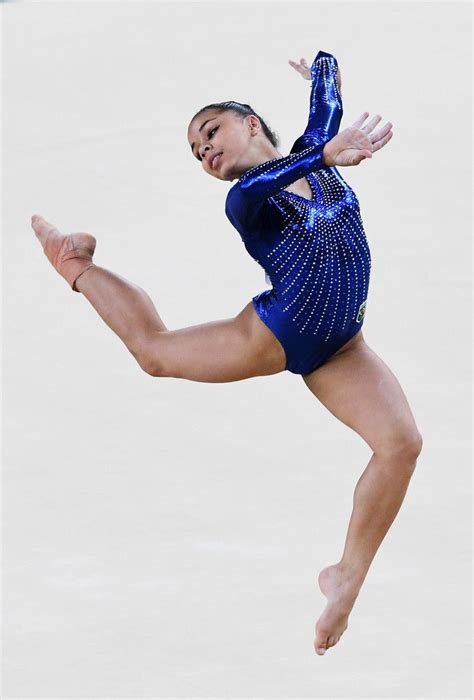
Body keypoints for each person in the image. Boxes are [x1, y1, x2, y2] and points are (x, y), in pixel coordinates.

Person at [31, 49, 423, 656]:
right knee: (154, 353)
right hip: (274, 332)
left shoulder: (317, 152)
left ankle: (347, 578)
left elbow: (327, 102)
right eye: (195, 151)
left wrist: (322, 66)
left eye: (210, 131)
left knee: (401, 446)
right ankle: (75, 263)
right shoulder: (246, 199)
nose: (204, 151)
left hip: (344, 346)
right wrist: (324, 152)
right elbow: (303, 155)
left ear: (250, 123)